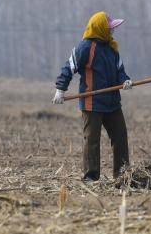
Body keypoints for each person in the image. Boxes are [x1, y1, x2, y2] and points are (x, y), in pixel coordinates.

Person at [53, 12, 132, 183]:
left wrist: (125, 81)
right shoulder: (85, 47)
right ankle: (91, 177)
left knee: (120, 138)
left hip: (113, 103)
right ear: (100, 29)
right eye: (110, 29)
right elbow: (69, 67)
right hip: (92, 103)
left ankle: (122, 176)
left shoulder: (112, 49)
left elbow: (120, 71)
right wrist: (60, 89)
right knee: (92, 140)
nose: (112, 32)